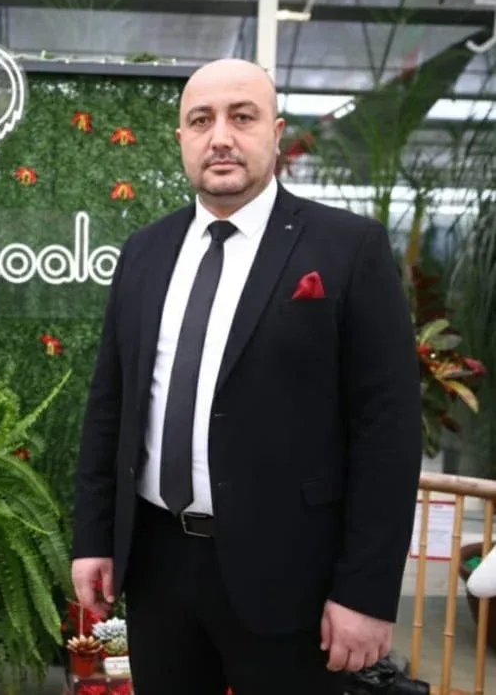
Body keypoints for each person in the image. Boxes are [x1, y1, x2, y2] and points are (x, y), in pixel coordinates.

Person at [70, 57, 422, 695]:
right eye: (201, 120)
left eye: (242, 117)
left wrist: (366, 593)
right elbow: (111, 405)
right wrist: (94, 538)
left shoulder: (348, 249)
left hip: (292, 576)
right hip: (158, 567)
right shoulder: (145, 252)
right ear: (181, 138)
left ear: (276, 132)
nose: (221, 137)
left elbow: (388, 434)